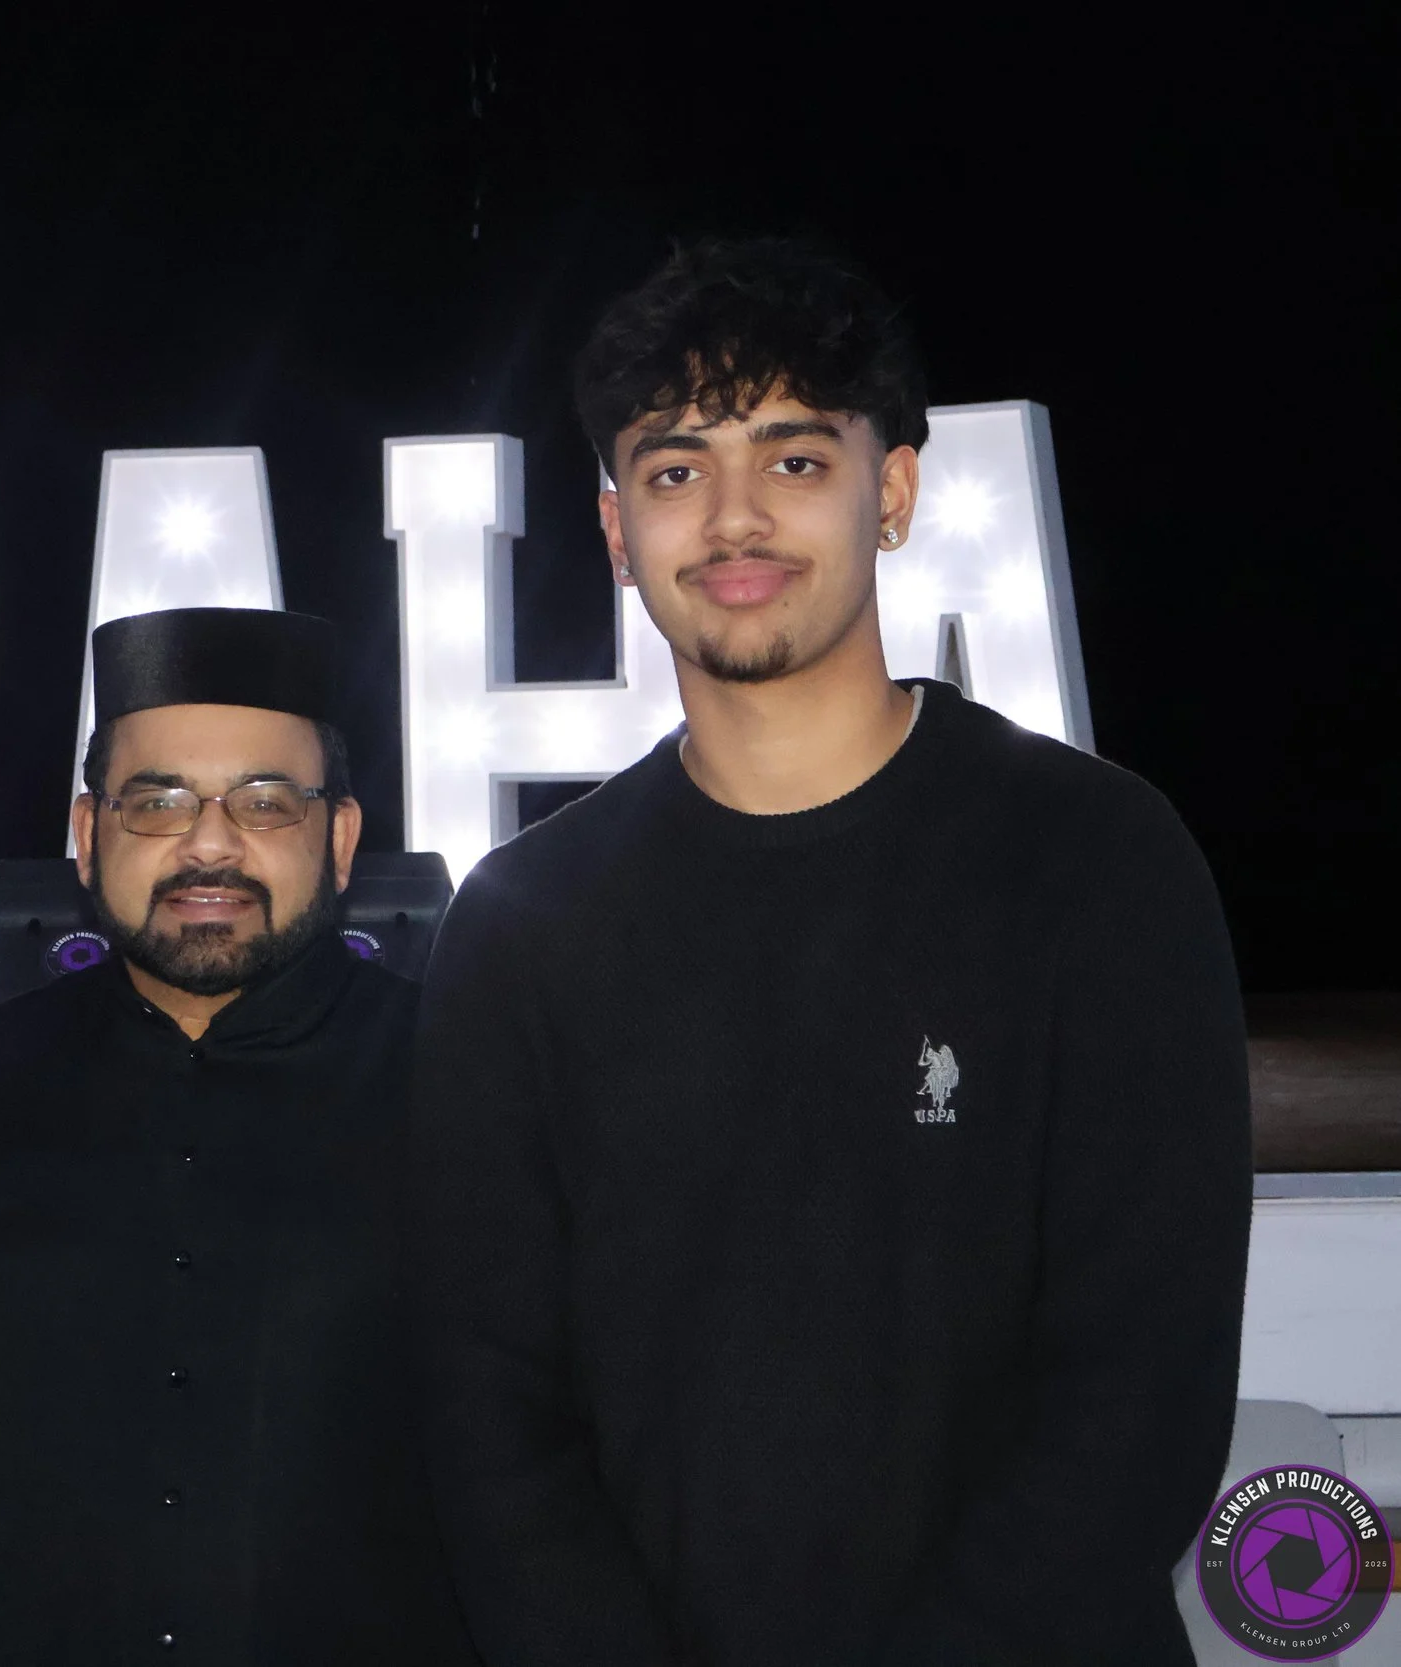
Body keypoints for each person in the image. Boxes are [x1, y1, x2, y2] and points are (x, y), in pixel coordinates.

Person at [408, 239, 1251, 1665]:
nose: (733, 518)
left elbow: (1139, 1392)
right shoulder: (521, 921)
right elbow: (490, 1415)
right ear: (617, 528)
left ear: (896, 491)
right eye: (675, 470)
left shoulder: (1096, 859)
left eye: (793, 460)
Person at [0, 607, 477, 1665]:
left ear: (340, 837)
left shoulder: (466, 1084)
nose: (209, 844)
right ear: (87, 834)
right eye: (157, 801)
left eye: (264, 802)